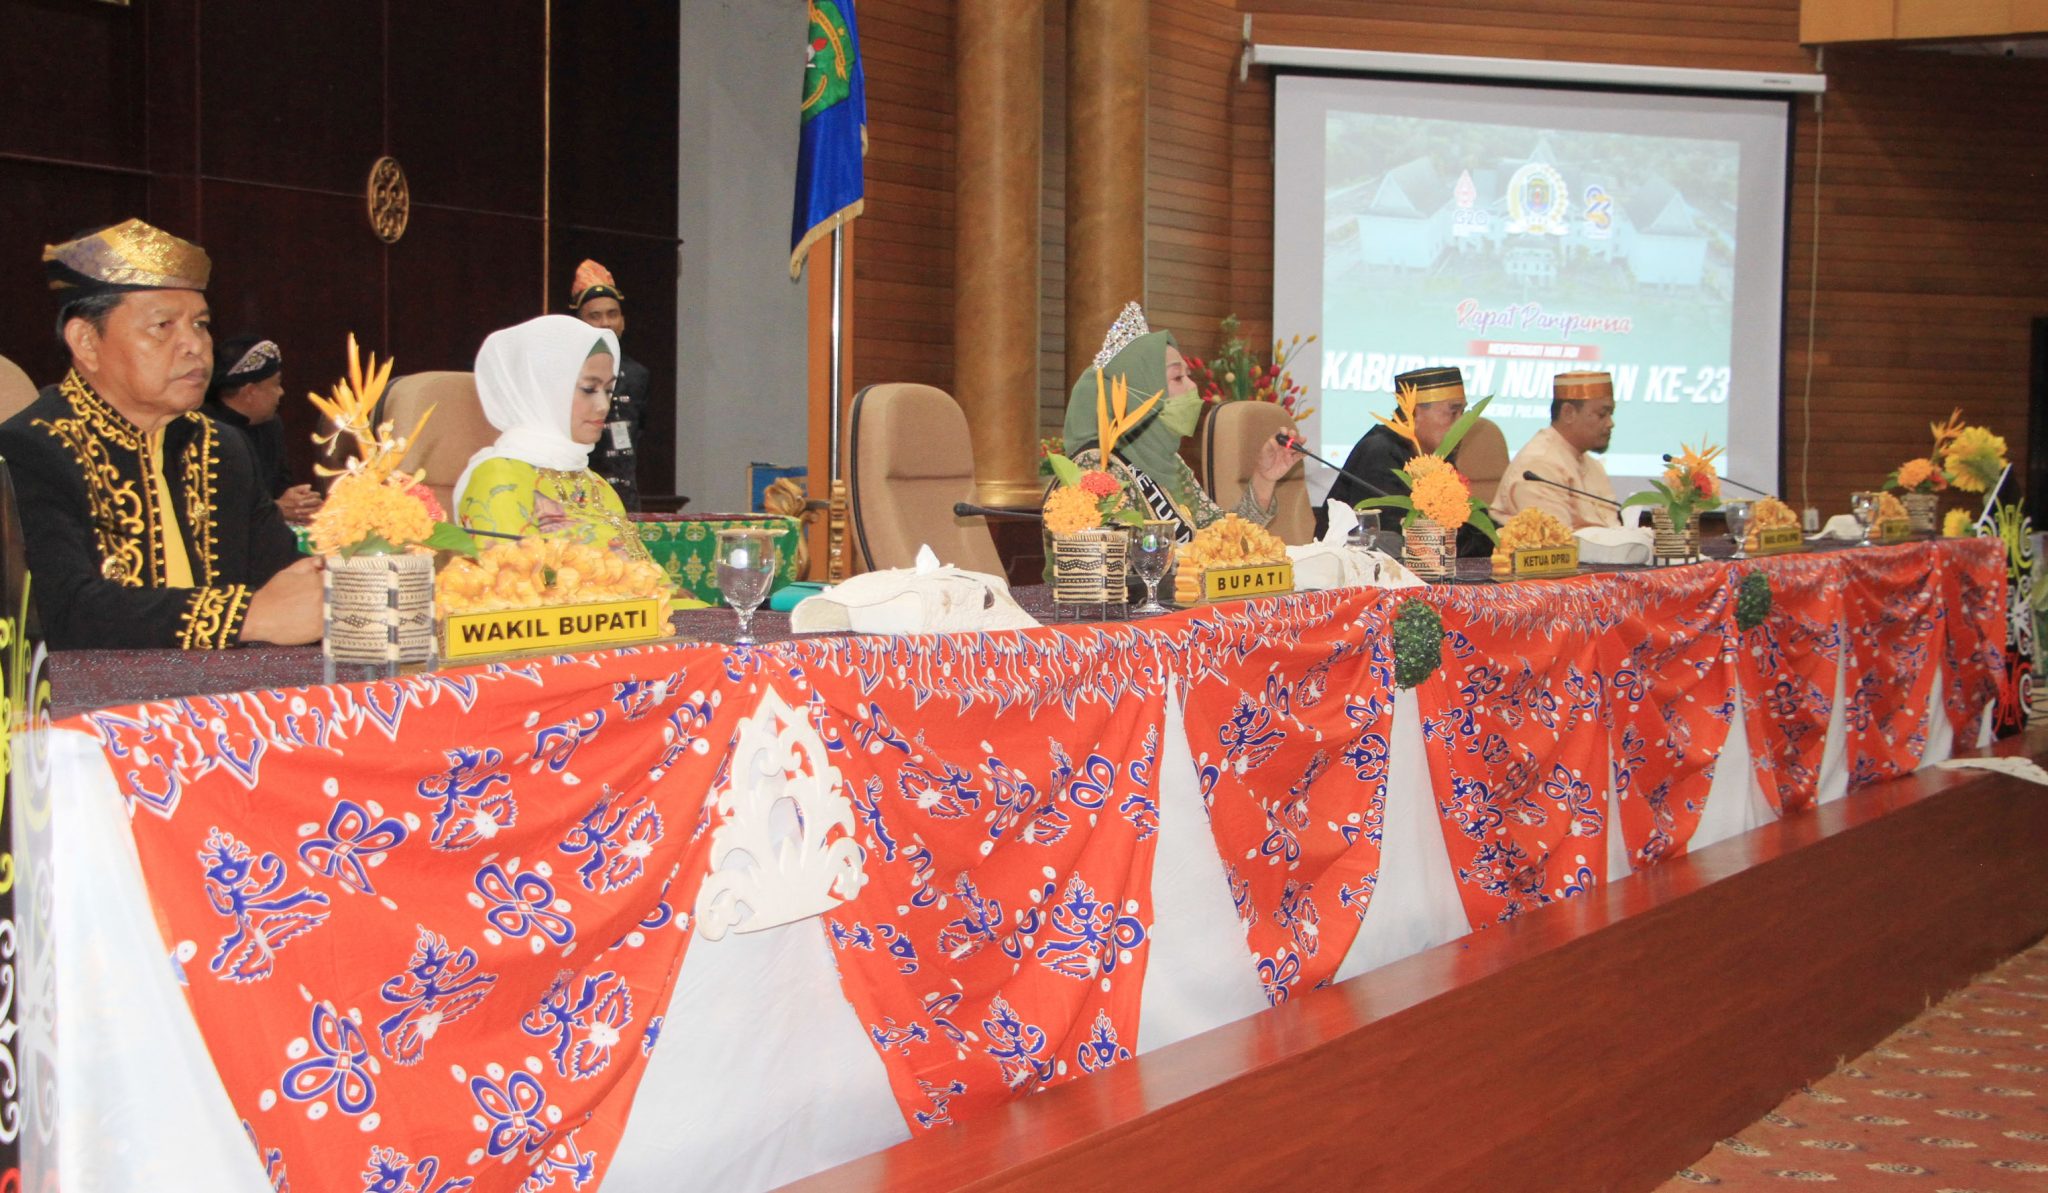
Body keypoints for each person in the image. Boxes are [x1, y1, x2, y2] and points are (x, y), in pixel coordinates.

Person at [0, 219, 319, 650]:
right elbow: (62, 609)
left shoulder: (222, 448)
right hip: (90, 711)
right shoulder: (28, 449)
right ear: (87, 342)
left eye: (201, 324)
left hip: (226, 702)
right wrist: (245, 617)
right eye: (163, 326)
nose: (195, 345)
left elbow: (282, 575)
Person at [1060, 302, 1297, 542]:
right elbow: (1111, 562)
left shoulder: (1171, 463)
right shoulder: (1094, 466)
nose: (1193, 387)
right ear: (1137, 393)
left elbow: (1224, 540)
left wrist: (1264, 479)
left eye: (1189, 376)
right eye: (1177, 377)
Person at [454, 314, 655, 564]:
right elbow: (517, 587)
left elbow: (651, 579)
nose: (603, 406)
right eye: (589, 389)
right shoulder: (498, 477)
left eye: (608, 390)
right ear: (543, 390)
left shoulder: (597, 486)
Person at [1322, 365, 1489, 553]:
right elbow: (1396, 538)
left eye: (1463, 413)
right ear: (1415, 413)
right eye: (1453, 412)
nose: (1462, 423)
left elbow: (1469, 523)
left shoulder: (1436, 456)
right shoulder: (1379, 452)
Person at [202, 335, 323, 524]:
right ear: (250, 391)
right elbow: (205, 512)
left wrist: (299, 501)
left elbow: (281, 488)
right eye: (276, 384)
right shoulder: (202, 432)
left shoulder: (271, 426)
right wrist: (275, 509)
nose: (281, 392)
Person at [569, 260, 651, 511]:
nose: (605, 323)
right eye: (595, 316)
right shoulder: (566, 373)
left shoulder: (638, 374)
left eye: (612, 314)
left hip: (625, 500)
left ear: (623, 322)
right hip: (580, 497)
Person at [1490, 370, 1620, 529]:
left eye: (1611, 414)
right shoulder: (1539, 466)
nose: (1610, 423)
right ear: (1568, 413)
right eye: (1602, 414)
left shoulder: (1593, 465)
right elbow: (1558, 546)